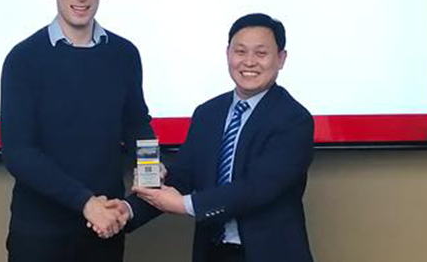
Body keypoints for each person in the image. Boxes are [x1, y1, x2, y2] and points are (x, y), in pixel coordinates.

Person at [0, 0, 154, 262]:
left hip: (104, 229)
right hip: (39, 234)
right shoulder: (23, 59)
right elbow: (18, 153)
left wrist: (151, 171)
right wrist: (85, 202)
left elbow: (138, 125)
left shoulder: (125, 54)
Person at [128, 13, 315, 262]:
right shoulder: (207, 113)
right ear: (228, 53)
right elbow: (183, 177)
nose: (249, 62)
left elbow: (256, 188)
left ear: (281, 59)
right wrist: (126, 210)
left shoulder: (294, 119)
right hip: (213, 252)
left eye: (261, 53)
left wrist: (184, 204)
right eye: (240, 51)